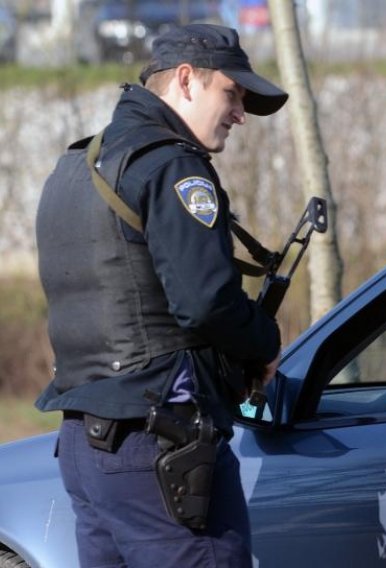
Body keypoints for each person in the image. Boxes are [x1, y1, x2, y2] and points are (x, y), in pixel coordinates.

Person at [35, 24, 287, 567]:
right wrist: (264, 341)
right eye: (232, 93)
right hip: (161, 445)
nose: (240, 113)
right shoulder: (174, 165)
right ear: (187, 80)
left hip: (84, 444)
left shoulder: (75, 167)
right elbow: (205, 303)